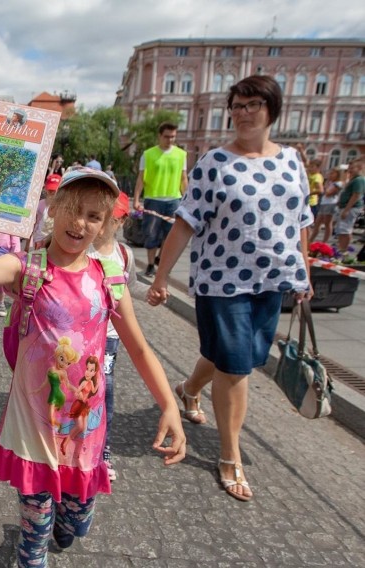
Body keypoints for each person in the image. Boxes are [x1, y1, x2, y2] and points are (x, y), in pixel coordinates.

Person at [0, 159, 186, 566]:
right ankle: (32, 548)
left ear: (105, 225)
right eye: (73, 210)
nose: (80, 223)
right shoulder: (27, 268)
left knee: (74, 526)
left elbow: (138, 349)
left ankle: (68, 524)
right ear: (54, 206)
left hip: (83, 431)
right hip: (33, 429)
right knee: (35, 543)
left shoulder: (109, 279)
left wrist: (169, 404)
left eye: (93, 216)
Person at [148, 75, 314, 503]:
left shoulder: (293, 161)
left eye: (252, 105)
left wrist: (304, 274)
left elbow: (301, 223)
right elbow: (185, 222)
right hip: (223, 282)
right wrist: (162, 276)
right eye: (237, 106)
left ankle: (187, 390)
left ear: (271, 110)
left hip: (273, 281)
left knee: (233, 359)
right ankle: (229, 455)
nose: (242, 113)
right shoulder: (214, 163)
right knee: (237, 366)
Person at [87, 191, 144, 481]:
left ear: (120, 222)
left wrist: (155, 294)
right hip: (80, 334)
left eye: (113, 217)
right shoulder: (81, 246)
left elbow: (130, 290)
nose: (105, 222)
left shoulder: (123, 254)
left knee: (104, 388)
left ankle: (103, 451)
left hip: (110, 335)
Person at [132, 122, 187, 277]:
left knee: (170, 235)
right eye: (167, 137)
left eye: (173, 137)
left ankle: (160, 259)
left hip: (173, 199)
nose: (170, 140)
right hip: (153, 198)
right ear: (160, 136)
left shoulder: (181, 155)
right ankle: (150, 265)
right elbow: (141, 178)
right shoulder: (148, 154)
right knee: (151, 233)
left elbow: (183, 179)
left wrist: (187, 199)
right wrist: (137, 199)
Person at [336, 158, 364, 260]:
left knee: (345, 230)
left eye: (352, 168)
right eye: (349, 168)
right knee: (342, 230)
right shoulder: (353, 179)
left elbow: (355, 195)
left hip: (350, 208)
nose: (350, 170)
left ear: (359, 168)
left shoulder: (359, 180)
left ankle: (344, 252)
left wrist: (346, 209)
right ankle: (341, 250)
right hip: (345, 207)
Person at [310, 167, 344, 243]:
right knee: (317, 222)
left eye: (332, 173)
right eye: (330, 173)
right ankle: (311, 239)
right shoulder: (329, 182)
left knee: (327, 223)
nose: (330, 175)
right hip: (323, 203)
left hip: (331, 203)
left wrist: (326, 188)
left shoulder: (338, 183)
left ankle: (324, 241)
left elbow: (328, 193)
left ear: (337, 174)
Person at [28, 173, 62, 250]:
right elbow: (34, 223)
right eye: (50, 190)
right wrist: (28, 243)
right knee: (37, 259)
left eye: (54, 190)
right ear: (46, 189)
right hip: (38, 239)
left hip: (52, 241)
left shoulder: (61, 207)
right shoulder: (40, 204)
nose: (52, 193)